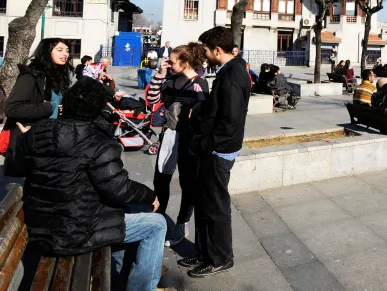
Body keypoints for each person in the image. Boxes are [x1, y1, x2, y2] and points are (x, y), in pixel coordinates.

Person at [6, 78, 169, 291]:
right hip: (75, 234)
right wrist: (150, 195)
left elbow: (13, 169)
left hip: (43, 226)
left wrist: (21, 141)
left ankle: (120, 279)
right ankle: (141, 288)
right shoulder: (97, 141)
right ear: (99, 109)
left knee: (123, 213)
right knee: (157, 224)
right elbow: (118, 189)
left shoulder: (39, 131)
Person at [181, 27, 250, 278]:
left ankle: (220, 258)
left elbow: (229, 121)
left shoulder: (232, 75)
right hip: (214, 148)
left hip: (218, 151)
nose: (205, 55)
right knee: (204, 202)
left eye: (207, 51)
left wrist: (209, 145)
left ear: (217, 50)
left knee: (214, 206)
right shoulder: (231, 70)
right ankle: (204, 252)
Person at [147, 43, 208, 247]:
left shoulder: (200, 83)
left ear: (185, 62)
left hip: (188, 139)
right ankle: (159, 219)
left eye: (172, 61)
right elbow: (152, 99)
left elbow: (203, 113)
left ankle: (181, 224)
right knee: (161, 180)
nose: (169, 64)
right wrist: (160, 74)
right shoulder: (170, 79)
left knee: (187, 183)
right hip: (169, 135)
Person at [1, 38, 72, 165]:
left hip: (48, 136)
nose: (65, 54)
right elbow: (12, 108)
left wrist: (59, 108)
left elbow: (51, 102)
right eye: (59, 50)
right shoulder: (30, 76)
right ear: (46, 52)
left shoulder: (54, 76)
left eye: (67, 50)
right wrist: (48, 107)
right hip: (30, 137)